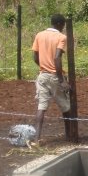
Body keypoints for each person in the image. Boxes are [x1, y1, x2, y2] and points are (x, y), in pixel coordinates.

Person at [31, 14, 71, 143]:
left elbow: (35, 57)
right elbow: (57, 57)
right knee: (66, 107)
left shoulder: (39, 35)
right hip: (54, 76)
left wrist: (44, 67)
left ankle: (37, 139)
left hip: (42, 76)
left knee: (41, 107)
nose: (64, 27)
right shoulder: (61, 37)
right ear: (60, 24)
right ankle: (69, 135)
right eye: (63, 25)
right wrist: (61, 80)